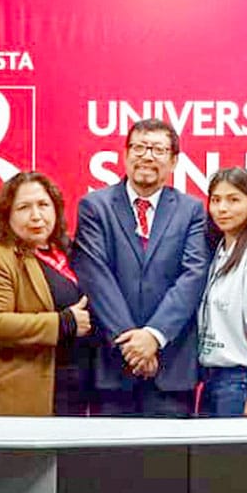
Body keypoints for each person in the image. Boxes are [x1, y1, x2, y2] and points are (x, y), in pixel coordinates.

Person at [72, 119, 209, 417]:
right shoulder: (95, 207)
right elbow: (96, 277)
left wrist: (154, 336)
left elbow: (193, 275)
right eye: (139, 147)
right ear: (125, 154)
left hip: (170, 368)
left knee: (173, 449)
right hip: (112, 368)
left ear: (174, 160)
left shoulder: (192, 210)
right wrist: (132, 344)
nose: (147, 156)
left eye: (158, 150)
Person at [0, 171, 96, 416]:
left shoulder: (72, 252)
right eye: (24, 207)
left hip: (77, 391)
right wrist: (63, 323)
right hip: (26, 395)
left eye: (43, 205)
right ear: (7, 214)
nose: (36, 215)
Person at [196, 168, 247, 417]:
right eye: (216, 200)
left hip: (241, 382)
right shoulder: (219, 252)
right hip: (212, 379)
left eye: (233, 200)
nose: (222, 208)